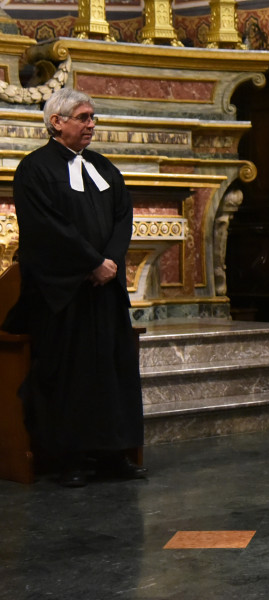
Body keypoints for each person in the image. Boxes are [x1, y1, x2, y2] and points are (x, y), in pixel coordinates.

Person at [1, 88, 145, 487]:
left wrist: (111, 263)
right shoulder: (35, 169)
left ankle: (114, 454)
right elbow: (47, 229)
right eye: (83, 117)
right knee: (70, 376)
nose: (91, 124)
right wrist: (91, 263)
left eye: (92, 117)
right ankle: (70, 458)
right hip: (61, 294)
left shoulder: (103, 167)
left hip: (104, 291)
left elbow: (122, 216)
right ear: (56, 122)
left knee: (112, 373)